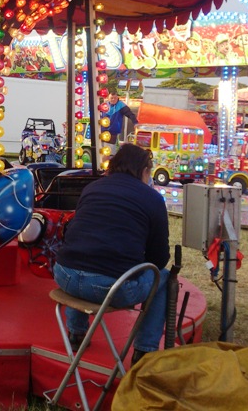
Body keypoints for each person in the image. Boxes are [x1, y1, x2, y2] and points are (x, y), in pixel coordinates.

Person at [53, 143, 170, 363]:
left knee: (84, 260)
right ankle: (144, 351)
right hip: (110, 287)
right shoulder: (152, 198)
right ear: (144, 170)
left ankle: (76, 333)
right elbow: (159, 259)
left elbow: (75, 233)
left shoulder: (92, 188)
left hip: (64, 275)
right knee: (162, 276)